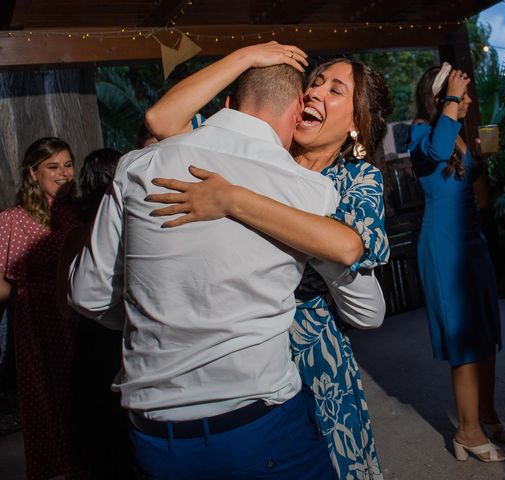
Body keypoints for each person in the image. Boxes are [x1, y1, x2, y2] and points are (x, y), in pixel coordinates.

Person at [69, 60, 384, 480]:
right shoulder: (258, 157)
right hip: (249, 380)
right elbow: (161, 119)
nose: (314, 93)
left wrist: (233, 199)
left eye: (335, 90)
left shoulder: (348, 184)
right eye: (314, 83)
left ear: (356, 123)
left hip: (310, 355)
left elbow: (359, 283)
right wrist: (249, 55)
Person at [407, 64, 505, 464]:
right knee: (466, 342)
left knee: (486, 335)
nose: (468, 100)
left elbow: (479, 196)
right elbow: (435, 153)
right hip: (445, 246)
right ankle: (466, 432)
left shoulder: (458, 134)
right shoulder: (420, 131)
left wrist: (485, 163)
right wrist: (451, 98)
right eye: (459, 93)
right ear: (440, 98)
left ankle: (486, 413)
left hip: (473, 242)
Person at [0, 137, 79, 480]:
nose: (63, 173)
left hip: (79, 318)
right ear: (33, 173)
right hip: (38, 322)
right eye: (52, 166)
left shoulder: (80, 212)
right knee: (45, 400)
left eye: (68, 164)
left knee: (81, 398)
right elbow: (3, 285)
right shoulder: (12, 221)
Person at [56, 147, 136, 479]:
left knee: (101, 448)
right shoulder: (134, 229)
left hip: (93, 348)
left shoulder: (78, 234)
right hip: (123, 344)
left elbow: (65, 305)